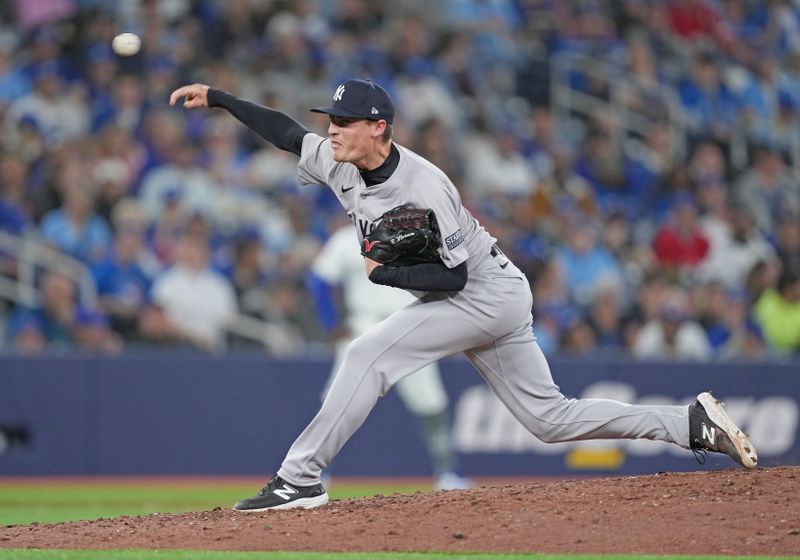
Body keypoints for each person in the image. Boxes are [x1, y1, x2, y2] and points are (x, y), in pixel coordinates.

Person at [170, 78, 758, 512]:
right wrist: (221, 98)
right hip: (487, 295)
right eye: (332, 119)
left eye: (344, 121)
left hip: (483, 294)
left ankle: (300, 478)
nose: (332, 129)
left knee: (367, 354)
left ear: (379, 127)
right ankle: (689, 423)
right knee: (549, 420)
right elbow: (285, 131)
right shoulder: (340, 161)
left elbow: (451, 280)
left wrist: (386, 275)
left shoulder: (425, 184)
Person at [309, 222, 470, 490]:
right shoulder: (348, 238)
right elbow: (319, 280)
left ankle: (447, 473)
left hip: (409, 324)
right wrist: (331, 323)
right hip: (364, 324)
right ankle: (313, 473)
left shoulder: (415, 237)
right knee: (337, 402)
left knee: (431, 402)